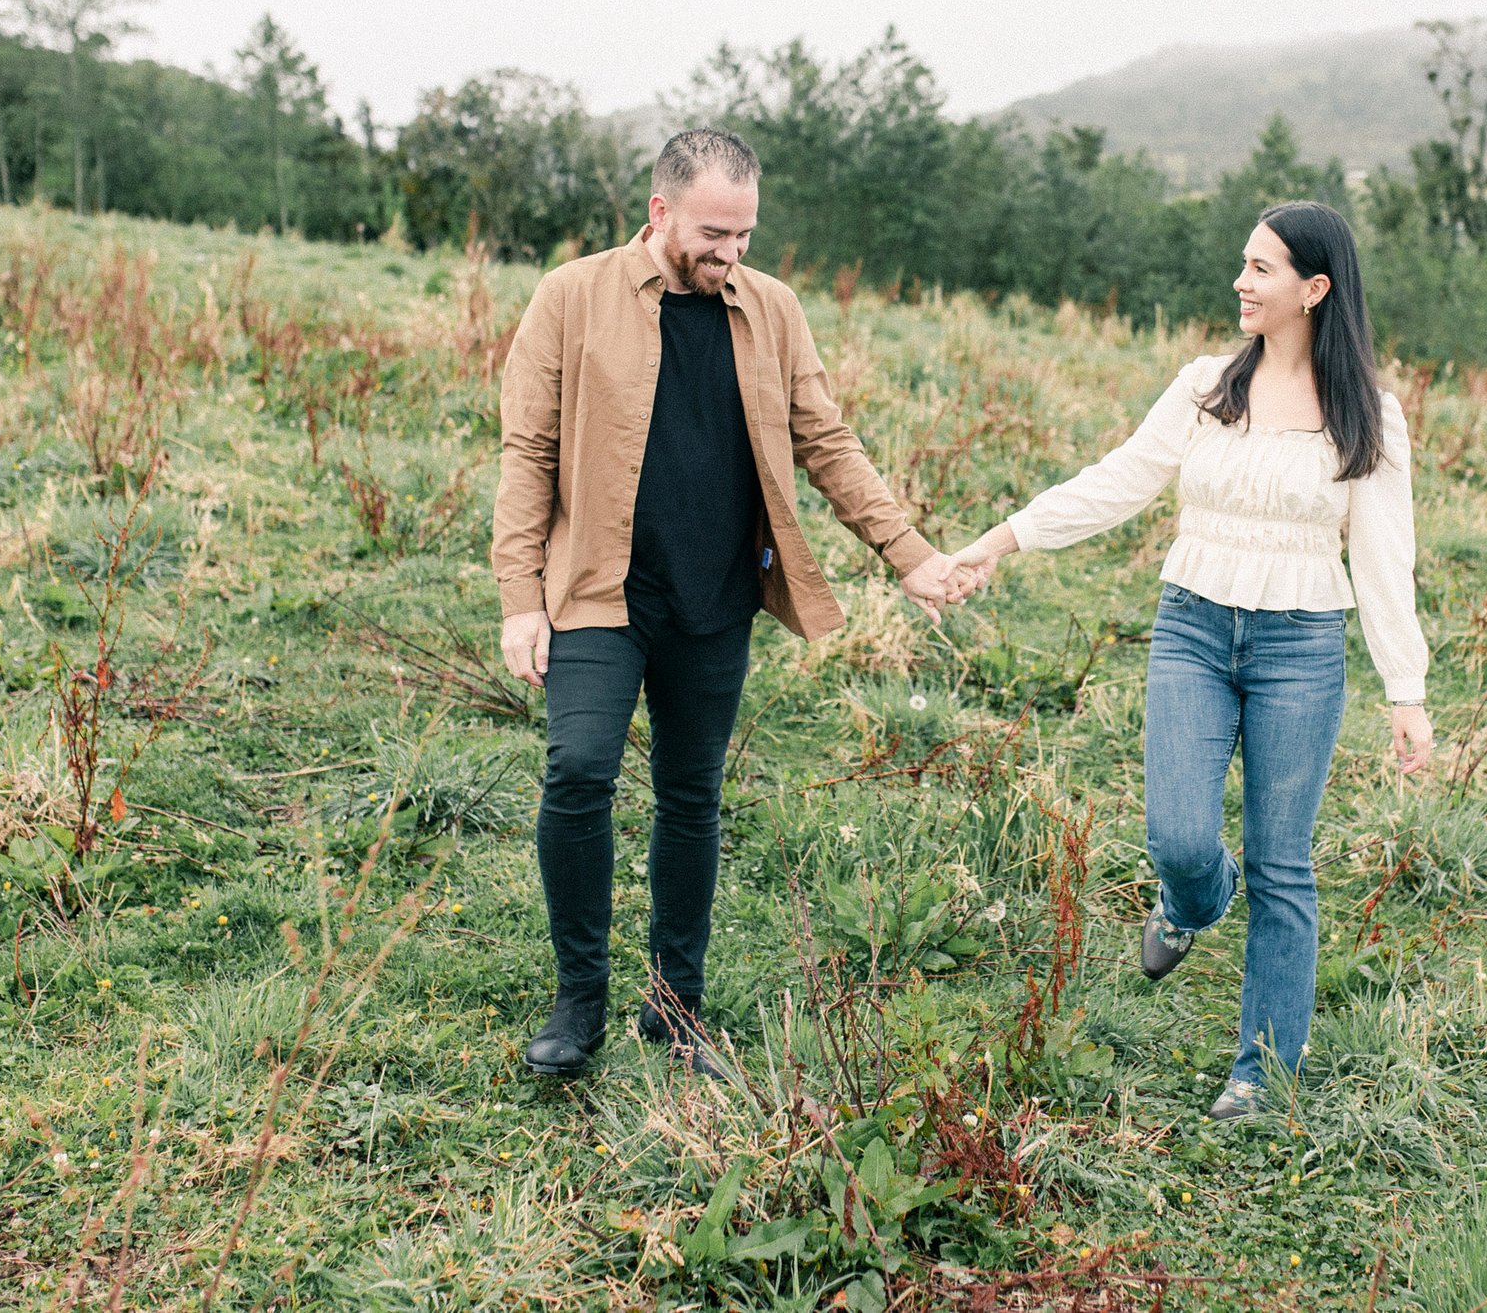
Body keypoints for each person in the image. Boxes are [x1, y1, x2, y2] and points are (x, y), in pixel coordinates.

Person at [493, 127, 973, 1077]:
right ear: (660, 210)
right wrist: (519, 596)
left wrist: (907, 553)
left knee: (690, 794)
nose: (732, 253)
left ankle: (675, 1010)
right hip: (596, 586)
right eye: (715, 233)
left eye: (746, 235)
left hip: (714, 594)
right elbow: (527, 452)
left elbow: (827, 441)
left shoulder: (774, 312)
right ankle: (577, 1003)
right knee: (580, 771)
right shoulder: (572, 295)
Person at [951, 200, 1433, 1121]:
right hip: (1193, 628)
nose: (1242, 283)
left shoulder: (1368, 415)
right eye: (1244, 264)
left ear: (1315, 289)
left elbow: (1383, 555)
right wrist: (1002, 541)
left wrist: (1404, 689)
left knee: (1282, 862)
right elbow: (1119, 479)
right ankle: (1191, 902)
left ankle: (1261, 1069)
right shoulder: (1207, 386)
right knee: (1178, 836)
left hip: (1301, 647)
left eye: (1262, 269)